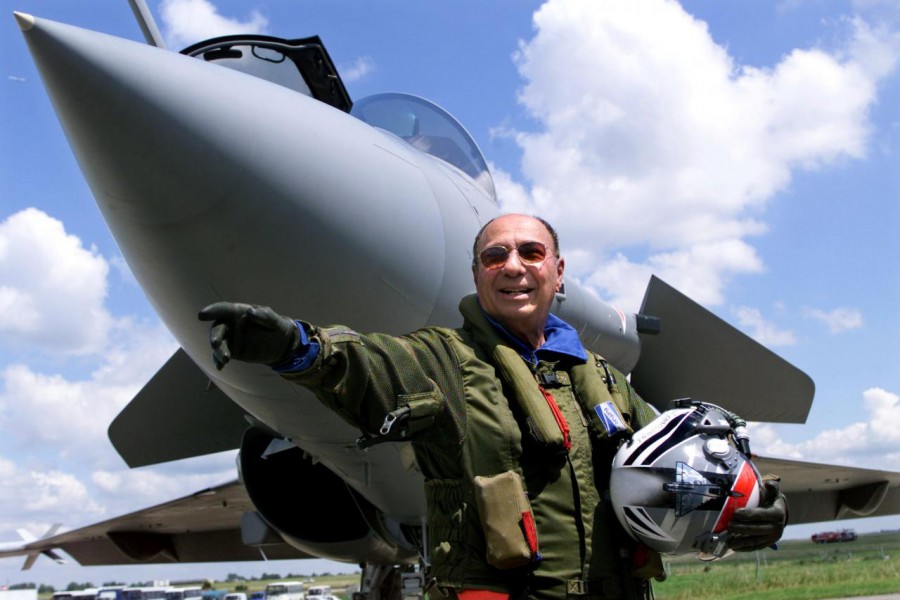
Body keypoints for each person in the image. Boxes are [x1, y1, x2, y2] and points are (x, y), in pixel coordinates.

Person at [199, 214, 787, 600]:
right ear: (478, 275)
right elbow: (367, 366)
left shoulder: (605, 382)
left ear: (557, 274)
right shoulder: (442, 361)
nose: (513, 265)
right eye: (494, 255)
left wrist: (757, 509)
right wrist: (295, 346)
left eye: (531, 252)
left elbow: (688, 473)